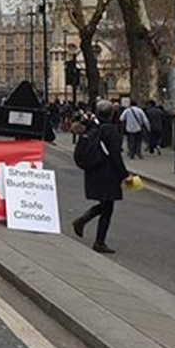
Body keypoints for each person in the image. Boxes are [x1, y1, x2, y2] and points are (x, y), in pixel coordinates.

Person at [71, 100, 131, 254]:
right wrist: (124, 175)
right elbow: (115, 156)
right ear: (112, 113)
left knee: (105, 205)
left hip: (94, 170)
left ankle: (86, 225)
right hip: (107, 172)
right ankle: (96, 238)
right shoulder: (111, 131)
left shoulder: (93, 127)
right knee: (107, 206)